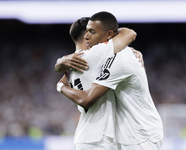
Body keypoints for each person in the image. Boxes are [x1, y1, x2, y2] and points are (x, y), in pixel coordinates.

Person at [57, 11, 163, 150]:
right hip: (109, 137)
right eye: (87, 32)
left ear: (108, 35)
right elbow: (130, 33)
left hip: (140, 136)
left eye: (92, 32)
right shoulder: (98, 56)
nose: (88, 36)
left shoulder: (84, 60)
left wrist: (60, 67)